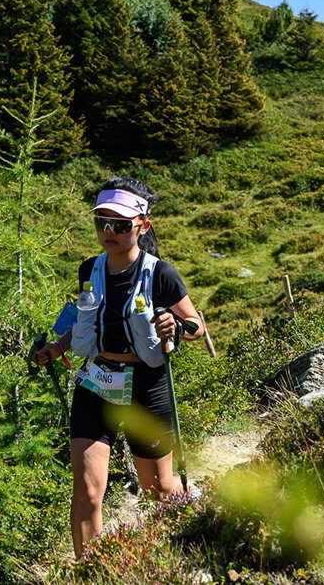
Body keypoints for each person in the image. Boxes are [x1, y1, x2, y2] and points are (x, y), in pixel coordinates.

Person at [33, 176, 206, 559]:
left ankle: (178, 558)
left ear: (142, 226)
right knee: (88, 491)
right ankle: (91, 573)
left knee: (159, 489)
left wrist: (176, 326)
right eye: (101, 223)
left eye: (121, 224)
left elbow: (197, 326)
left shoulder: (162, 274)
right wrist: (55, 347)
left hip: (147, 384)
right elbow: (82, 319)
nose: (109, 232)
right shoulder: (88, 270)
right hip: (96, 382)